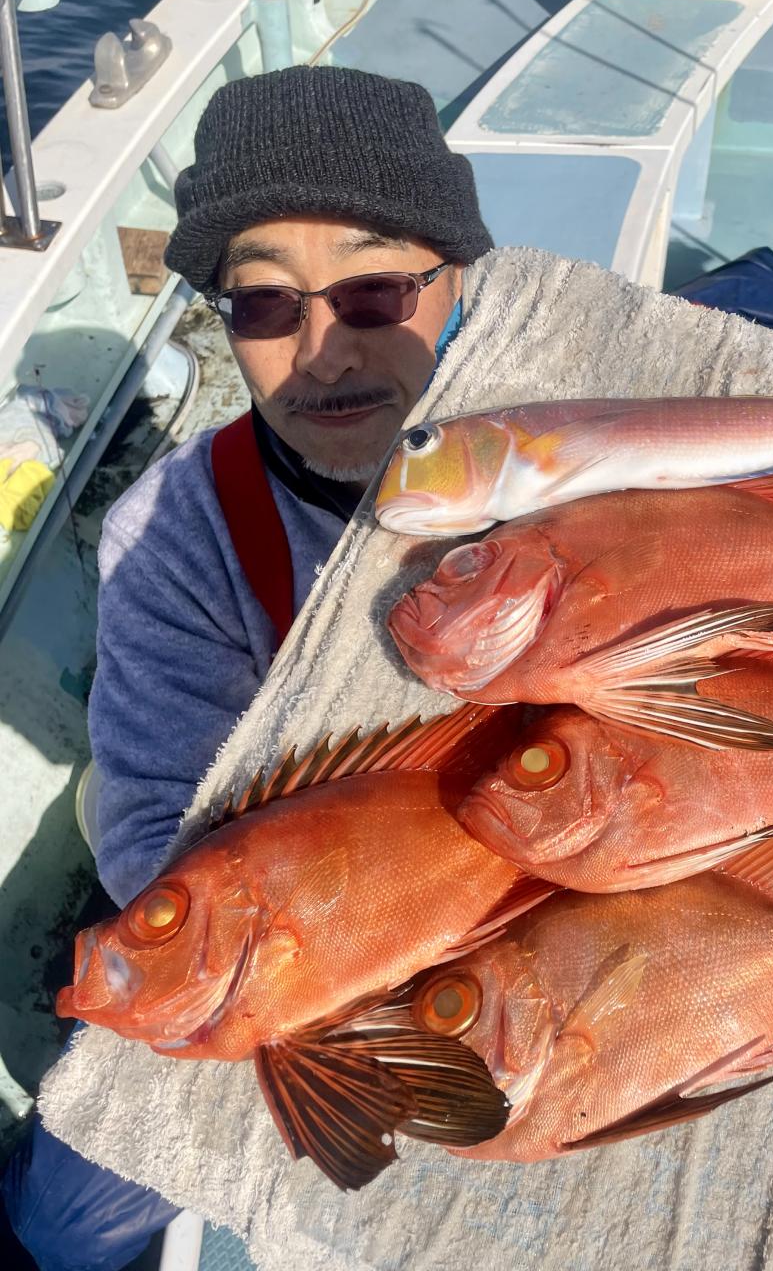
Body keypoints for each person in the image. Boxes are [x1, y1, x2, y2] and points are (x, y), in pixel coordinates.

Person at [2, 64, 493, 1271]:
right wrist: (345, 979)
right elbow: (150, 829)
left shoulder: (565, 451)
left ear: (458, 281)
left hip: (538, 870)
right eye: (265, 303)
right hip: (301, 940)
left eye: (373, 289)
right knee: (62, 1225)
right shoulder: (174, 531)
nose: (323, 352)